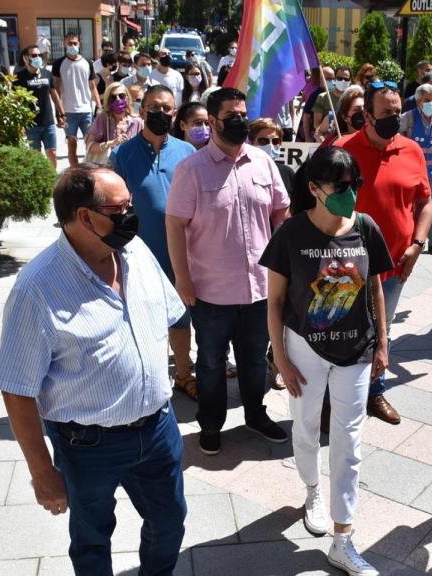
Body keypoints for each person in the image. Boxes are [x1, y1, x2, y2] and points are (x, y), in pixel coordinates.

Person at [0, 164, 188, 576]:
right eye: (120, 209)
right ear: (84, 217)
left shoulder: (136, 252)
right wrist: (42, 471)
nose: (131, 215)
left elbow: (171, 315)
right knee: (93, 539)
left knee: (168, 525)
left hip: (157, 431)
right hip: (88, 446)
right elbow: (17, 389)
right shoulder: (37, 288)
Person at [262, 147, 391, 576]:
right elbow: (275, 302)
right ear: (314, 189)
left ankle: (343, 538)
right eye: (340, 186)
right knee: (304, 426)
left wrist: (383, 345)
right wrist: (280, 357)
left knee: (349, 442)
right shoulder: (290, 234)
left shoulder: (367, 228)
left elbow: (374, 291)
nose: (349, 193)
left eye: (354, 184)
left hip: (355, 351)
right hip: (303, 351)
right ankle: (312, 489)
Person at [166, 88, 291, 455]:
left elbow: (282, 210)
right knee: (210, 362)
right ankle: (210, 424)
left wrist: (282, 261)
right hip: (211, 292)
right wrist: (182, 278)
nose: (239, 120)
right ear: (215, 121)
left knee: (255, 360)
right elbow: (174, 224)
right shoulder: (192, 169)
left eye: (243, 113)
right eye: (231, 116)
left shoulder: (263, 163)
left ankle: (256, 414)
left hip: (259, 289)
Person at [337, 80, 432, 425]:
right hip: (345, 265)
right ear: (366, 116)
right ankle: (337, 397)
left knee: (381, 329)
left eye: (397, 112)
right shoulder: (342, 149)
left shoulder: (412, 151)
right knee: (340, 329)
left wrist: (418, 244)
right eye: (386, 113)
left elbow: (425, 201)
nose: (394, 119)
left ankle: (375, 391)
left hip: (394, 266)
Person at [111, 85, 198, 402]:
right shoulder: (122, 154)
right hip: (140, 253)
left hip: (183, 253)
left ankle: (184, 374)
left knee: (181, 317)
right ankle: (149, 376)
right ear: (141, 109)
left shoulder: (188, 153)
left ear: (175, 114)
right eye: (154, 107)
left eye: (167, 108)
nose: (161, 113)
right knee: (143, 318)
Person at [400, 81, 432, 252]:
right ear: (418, 102)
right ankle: (414, 239)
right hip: (412, 171)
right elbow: (397, 134)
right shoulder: (409, 117)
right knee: (413, 205)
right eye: (425, 100)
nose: (429, 103)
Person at [52, 32, 102, 168]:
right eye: (69, 43)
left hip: (86, 110)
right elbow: (56, 89)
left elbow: (92, 86)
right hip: (68, 112)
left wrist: (99, 106)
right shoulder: (58, 64)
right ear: (64, 44)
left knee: (90, 144)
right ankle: (75, 172)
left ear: (79, 43)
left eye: (75, 43)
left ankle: (90, 171)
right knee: (71, 144)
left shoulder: (87, 62)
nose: (72, 46)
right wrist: (59, 112)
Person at [15, 45, 62, 169]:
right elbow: (16, 100)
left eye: (39, 55)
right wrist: (19, 124)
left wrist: (61, 114)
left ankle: (52, 178)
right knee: (35, 155)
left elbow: (54, 94)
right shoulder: (19, 77)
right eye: (34, 55)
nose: (37, 58)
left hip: (48, 121)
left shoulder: (47, 74)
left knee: (52, 153)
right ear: (26, 58)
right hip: (31, 123)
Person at [85, 82, 143, 164]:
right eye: (113, 97)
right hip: (109, 168)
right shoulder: (103, 119)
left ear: (127, 97)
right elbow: (89, 147)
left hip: (130, 167)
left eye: (121, 96)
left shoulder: (137, 121)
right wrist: (110, 143)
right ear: (108, 100)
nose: (118, 99)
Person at [249, 117, 295, 197]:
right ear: (251, 142)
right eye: (263, 141)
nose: (270, 146)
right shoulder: (241, 171)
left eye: (275, 141)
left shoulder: (287, 173)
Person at [313, 66, 349, 138]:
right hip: (328, 140)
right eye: (339, 78)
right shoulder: (323, 97)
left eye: (346, 79)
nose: (343, 81)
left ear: (350, 81)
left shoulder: (351, 99)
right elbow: (316, 124)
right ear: (334, 79)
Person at [302, 66, 333, 142]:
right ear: (320, 79)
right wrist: (307, 137)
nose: (331, 81)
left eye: (332, 79)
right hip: (317, 136)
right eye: (328, 79)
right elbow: (306, 116)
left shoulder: (335, 93)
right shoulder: (315, 95)